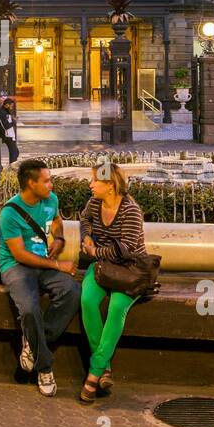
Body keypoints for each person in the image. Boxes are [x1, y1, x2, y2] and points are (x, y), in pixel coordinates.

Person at [0, 159, 80, 397]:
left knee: (72, 291)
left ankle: (32, 344)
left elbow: (56, 221)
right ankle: (44, 367)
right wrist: (58, 264)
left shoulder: (50, 200)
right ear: (30, 184)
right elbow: (20, 254)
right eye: (46, 181)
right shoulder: (10, 212)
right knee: (30, 310)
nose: (51, 185)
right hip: (16, 267)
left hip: (43, 263)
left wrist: (60, 239)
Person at [77, 162, 148, 405]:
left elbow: (125, 251)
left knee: (117, 307)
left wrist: (94, 250)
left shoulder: (131, 210)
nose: (90, 184)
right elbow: (84, 219)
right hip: (101, 268)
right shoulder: (94, 204)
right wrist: (86, 235)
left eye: (95, 180)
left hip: (130, 270)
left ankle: (94, 373)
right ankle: (105, 366)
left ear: (110, 185)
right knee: (87, 301)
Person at [0, 98, 20, 164]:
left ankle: (11, 166)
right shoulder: (2, 112)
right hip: (7, 136)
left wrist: (13, 120)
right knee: (14, 153)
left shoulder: (6, 111)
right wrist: (14, 121)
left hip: (10, 135)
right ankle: (12, 168)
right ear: (7, 105)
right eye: (11, 105)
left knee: (15, 152)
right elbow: (6, 126)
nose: (12, 107)